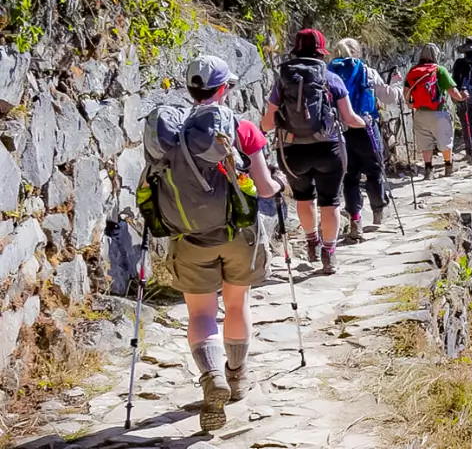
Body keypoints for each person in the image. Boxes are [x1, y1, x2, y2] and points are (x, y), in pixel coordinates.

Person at [140, 55, 287, 432]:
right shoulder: (242, 129)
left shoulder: (168, 135)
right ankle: (235, 376)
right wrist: (279, 183)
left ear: (190, 90)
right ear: (225, 89)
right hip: (239, 232)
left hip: (188, 237)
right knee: (236, 303)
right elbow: (266, 189)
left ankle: (210, 379)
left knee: (201, 314)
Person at [260, 29, 365, 275]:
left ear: (296, 50)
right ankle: (329, 254)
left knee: (303, 197)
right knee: (330, 202)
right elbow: (349, 118)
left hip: (292, 151)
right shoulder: (331, 79)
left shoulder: (282, 81)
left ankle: (312, 242)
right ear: (321, 51)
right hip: (329, 149)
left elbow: (267, 123)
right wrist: (365, 123)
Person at [328, 37, 401, 241]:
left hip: (340, 130)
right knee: (374, 171)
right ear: (357, 52)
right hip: (366, 127)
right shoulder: (368, 72)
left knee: (350, 177)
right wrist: (396, 83)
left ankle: (355, 220)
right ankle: (378, 213)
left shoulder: (328, 73)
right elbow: (389, 97)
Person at [405, 42, 468, 180]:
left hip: (420, 113)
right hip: (438, 112)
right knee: (445, 140)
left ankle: (428, 170)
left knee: (425, 142)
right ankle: (448, 167)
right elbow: (453, 92)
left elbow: (406, 93)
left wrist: (410, 105)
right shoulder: (439, 70)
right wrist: (462, 97)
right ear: (436, 55)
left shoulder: (413, 71)